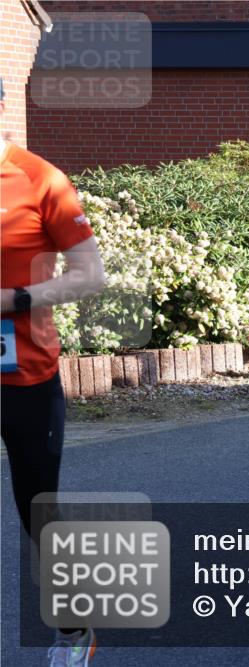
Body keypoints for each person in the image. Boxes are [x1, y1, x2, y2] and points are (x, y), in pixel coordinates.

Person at [1, 80, 107, 665]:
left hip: (25, 381)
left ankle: (74, 630)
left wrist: (13, 299)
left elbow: (89, 275)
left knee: (38, 511)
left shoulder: (41, 179)